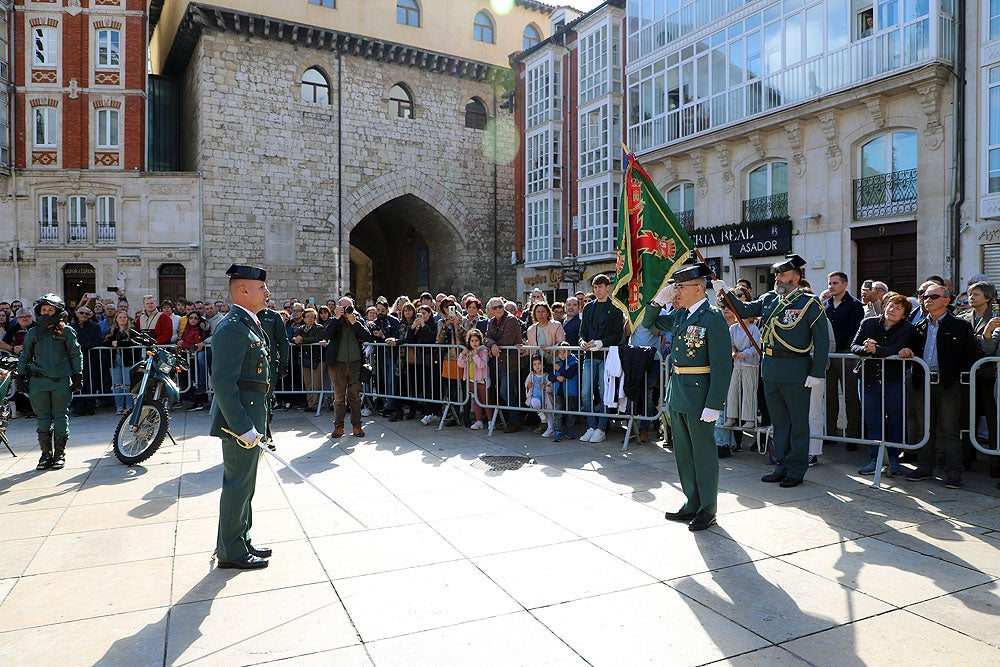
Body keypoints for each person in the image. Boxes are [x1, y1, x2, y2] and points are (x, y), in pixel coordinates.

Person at [721, 254, 831, 487]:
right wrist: (725, 292)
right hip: (771, 368)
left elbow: (821, 341)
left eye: (782, 274)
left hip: (796, 367)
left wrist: (817, 372)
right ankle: (781, 463)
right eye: (776, 274)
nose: (777, 278)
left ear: (796, 277)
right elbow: (742, 310)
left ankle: (797, 468)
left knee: (798, 423)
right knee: (779, 422)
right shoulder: (770, 298)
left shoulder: (809, 303)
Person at [644, 263, 733, 531]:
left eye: (680, 287)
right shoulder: (681, 316)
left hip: (700, 395)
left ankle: (708, 508)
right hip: (680, 391)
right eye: (675, 287)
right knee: (683, 454)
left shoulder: (712, 317)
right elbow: (649, 322)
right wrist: (658, 301)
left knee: (703, 454)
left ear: (698, 288)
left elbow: (722, 365)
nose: (676, 292)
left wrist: (714, 403)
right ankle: (691, 502)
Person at [210, 264, 274, 570]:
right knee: (237, 484)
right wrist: (243, 427)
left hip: (252, 414)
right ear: (242, 290)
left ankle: (239, 539)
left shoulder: (249, 323)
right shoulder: (233, 327)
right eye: (261, 288)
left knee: (246, 484)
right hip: (240, 422)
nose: (267, 292)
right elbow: (223, 384)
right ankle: (230, 551)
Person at [905, 283, 981, 489]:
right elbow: (909, 348)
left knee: (949, 429)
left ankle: (954, 473)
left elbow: (971, 356)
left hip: (948, 385)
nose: (927, 300)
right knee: (925, 428)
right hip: (923, 383)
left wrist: (953, 376)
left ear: (946, 301)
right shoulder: (918, 326)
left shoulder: (960, 326)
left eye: (933, 297)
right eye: (925, 297)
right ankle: (924, 467)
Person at [851, 293, 918, 476]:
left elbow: (896, 349)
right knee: (873, 421)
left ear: (904, 314)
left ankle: (894, 460)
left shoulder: (908, 329)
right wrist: (865, 347)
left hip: (893, 380)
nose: (892, 310)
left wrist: (876, 350)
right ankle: (875, 459)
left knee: (895, 420)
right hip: (868, 379)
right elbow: (853, 346)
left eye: (898, 308)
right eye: (890, 306)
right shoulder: (869, 323)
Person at [17, 294, 83, 471]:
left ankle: (59, 454)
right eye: (43, 310)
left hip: (61, 381)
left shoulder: (67, 331)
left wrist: (78, 375)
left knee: (60, 416)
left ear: (57, 311)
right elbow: (25, 355)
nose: (46, 313)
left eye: (50, 310)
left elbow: (75, 354)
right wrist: (20, 375)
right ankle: (45, 454)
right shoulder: (33, 332)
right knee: (43, 419)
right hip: (39, 383)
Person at [578, 274, 626, 443]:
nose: (597, 290)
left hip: (606, 356)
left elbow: (618, 335)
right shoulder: (588, 307)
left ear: (608, 287)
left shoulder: (615, 308)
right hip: (589, 356)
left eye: (600, 287)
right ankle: (591, 426)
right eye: (595, 287)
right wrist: (582, 342)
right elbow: (582, 332)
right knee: (585, 392)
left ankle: (601, 427)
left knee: (604, 393)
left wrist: (601, 342)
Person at [824, 271, 865, 450]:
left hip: (847, 355)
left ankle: (852, 436)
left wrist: (835, 344)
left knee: (850, 397)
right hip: (829, 355)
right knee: (830, 397)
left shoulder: (855, 305)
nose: (831, 286)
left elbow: (853, 331)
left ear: (845, 284)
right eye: (830, 283)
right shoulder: (825, 305)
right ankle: (830, 433)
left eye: (835, 283)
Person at [323, 296, 373, 437]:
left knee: (355, 396)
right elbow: (325, 335)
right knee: (339, 397)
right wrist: (336, 318)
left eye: (348, 307)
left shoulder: (357, 319)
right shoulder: (334, 321)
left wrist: (354, 322)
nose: (346, 310)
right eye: (343, 308)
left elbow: (367, 337)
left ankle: (357, 426)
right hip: (338, 364)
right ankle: (338, 426)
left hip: (355, 364)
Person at [485, 296, 526, 433]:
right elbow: (486, 337)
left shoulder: (511, 320)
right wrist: (492, 345)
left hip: (510, 362)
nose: (498, 310)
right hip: (497, 361)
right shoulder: (491, 321)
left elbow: (507, 340)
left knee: (506, 391)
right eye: (495, 308)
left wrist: (494, 346)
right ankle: (507, 420)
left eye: (500, 306)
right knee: (500, 392)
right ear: (490, 310)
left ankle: (515, 421)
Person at [104, 310, 140, 415]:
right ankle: (119, 406)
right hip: (115, 360)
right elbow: (105, 342)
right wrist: (112, 344)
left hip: (128, 360)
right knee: (117, 384)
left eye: (124, 317)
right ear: (116, 319)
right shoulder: (112, 330)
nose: (122, 319)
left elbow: (135, 341)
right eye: (120, 317)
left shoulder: (132, 330)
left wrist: (119, 343)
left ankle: (129, 406)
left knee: (128, 384)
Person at [458, 328, 493, 429]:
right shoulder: (468, 351)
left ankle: (491, 420)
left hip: (482, 380)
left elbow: (482, 364)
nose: (474, 343)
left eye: (476, 340)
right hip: (472, 380)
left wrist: (475, 355)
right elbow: (460, 364)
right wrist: (463, 354)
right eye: (472, 341)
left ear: (480, 340)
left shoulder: (483, 351)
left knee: (485, 401)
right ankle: (479, 421)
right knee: (476, 401)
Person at [176, 309, 210, 410]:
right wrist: (179, 342)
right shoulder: (186, 328)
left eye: (195, 318)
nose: (193, 320)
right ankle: (187, 400)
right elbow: (181, 340)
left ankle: (199, 402)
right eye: (191, 318)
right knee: (186, 379)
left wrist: (183, 344)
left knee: (196, 379)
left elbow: (196, 345)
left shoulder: (199, 330)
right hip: (186, 357)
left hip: (194, 358)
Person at [293, 308, 325, 411]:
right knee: (308, 383)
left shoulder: (319, 328)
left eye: (313, 316)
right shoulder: (301, 328)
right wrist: (296, 340)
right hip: (306, 358)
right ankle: (310, 403)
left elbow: (317, 339)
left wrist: (302, 340)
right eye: (308, 316)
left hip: (317, 358)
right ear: (304, 318)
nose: (311, 319)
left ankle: (315, 405)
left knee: (316, 383)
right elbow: (293, 338)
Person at [547, 342, 579, 441]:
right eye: (560, 353)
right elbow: (550, 376)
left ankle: (569, 430)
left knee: (570, 412)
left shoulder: (574, 363)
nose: (562, 355)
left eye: (564, 352)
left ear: (570, 351)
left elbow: (569, 374)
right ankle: (558, 431)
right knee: (558, 412)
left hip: (570, 392)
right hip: (558, 391)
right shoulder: (557, 363)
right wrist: (557, 377)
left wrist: (560, 370)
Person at [524, 354, 554, 436]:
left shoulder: (547, 376)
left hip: (546, 398)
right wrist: (528, 386)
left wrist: (546, 388)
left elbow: (552, 388)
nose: (537, 366)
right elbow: (526, 383)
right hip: (535, 396)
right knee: (535, 403)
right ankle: (540, 413)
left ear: (543, 365)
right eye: (535, 364)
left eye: (539, 363)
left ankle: (551, 429)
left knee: (549, 413)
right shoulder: (532, 375)